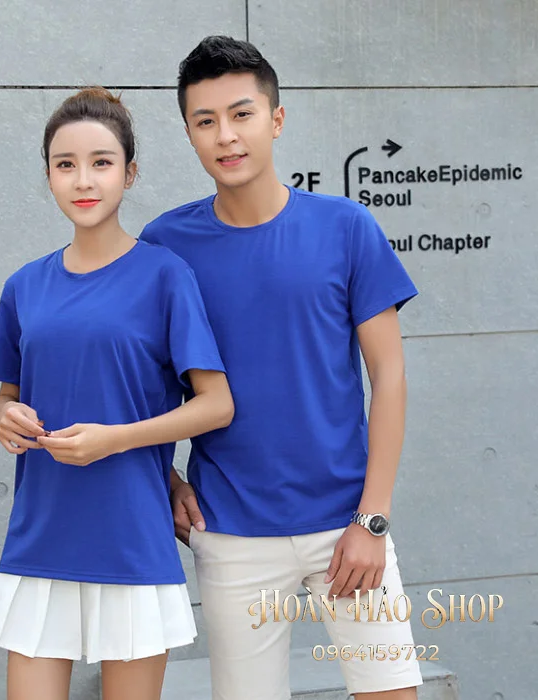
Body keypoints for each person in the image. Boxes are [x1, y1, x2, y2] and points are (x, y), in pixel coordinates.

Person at [139, 36, 423, 700]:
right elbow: (143, 384)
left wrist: (373, 520)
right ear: (189, 133)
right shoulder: (165, 246)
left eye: (241, 114)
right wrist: (165, 476)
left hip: (348, 523)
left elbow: (389, 377)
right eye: (205, 121)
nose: (225, 135)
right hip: (230, 530)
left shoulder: (346, 227)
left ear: (276, 119)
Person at [0, 86, 234, 700]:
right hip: (42, 533)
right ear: (48, 176)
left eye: (101, 162)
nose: (83, 180)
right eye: (65, 164)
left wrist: (115, 440)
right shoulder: (24, 287)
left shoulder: (165, 275)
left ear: (130, 172)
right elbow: (6, 397)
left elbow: (216, 404)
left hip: (131, 533)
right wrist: (6, 416)